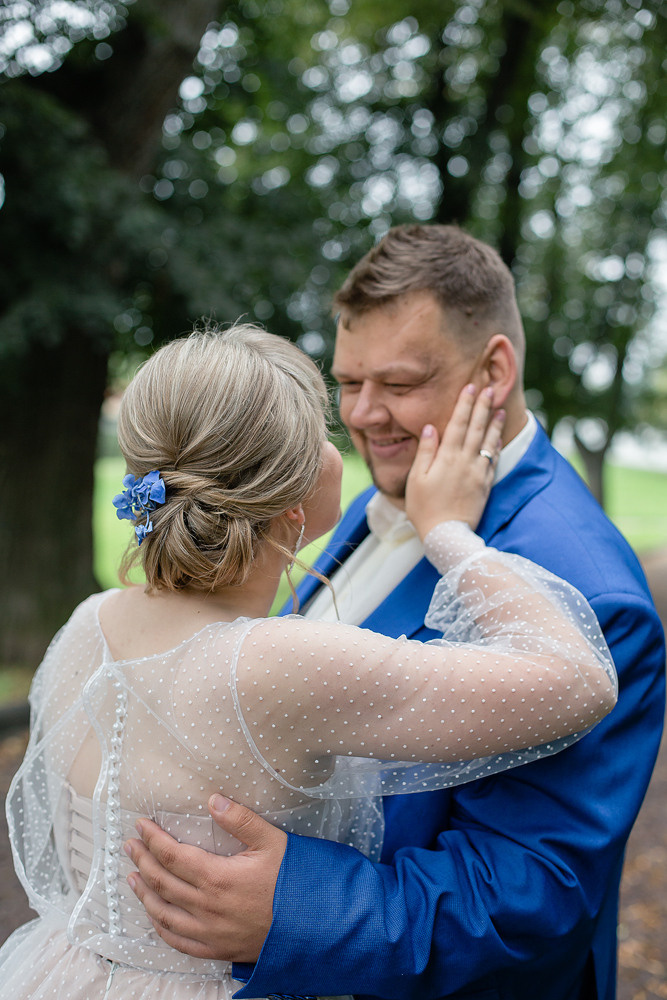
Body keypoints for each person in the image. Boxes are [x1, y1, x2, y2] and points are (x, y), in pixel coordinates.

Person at [0, 322, 618, 1000]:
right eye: (325, 423)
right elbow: (579, 678)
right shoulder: (272, 664)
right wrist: (447, 532)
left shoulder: (87, 623)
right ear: (292, 499)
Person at [126, 228, 665, 1000]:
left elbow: (531, 903)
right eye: (348, 383)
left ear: (495, 370)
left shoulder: (587, 594)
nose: (366, 415)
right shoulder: (370, 498)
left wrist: (293, 907)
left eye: (400, 383)